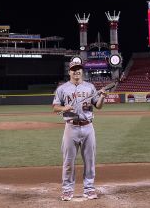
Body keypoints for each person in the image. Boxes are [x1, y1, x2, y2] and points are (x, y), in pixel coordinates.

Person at [52, 57, 107, 201]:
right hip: (71, 127)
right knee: (68, 161)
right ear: (69, 72)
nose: (76, 72)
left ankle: (89, 188)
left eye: (79, 69)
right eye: (73, 70)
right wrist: (65, 107)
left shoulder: (90, 87)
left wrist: (102, 97)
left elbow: (98, 105)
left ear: (82, 71)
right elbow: (55, 107)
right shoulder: (62, 89)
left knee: (90, 160)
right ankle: (67, 190)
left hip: (88, 127)